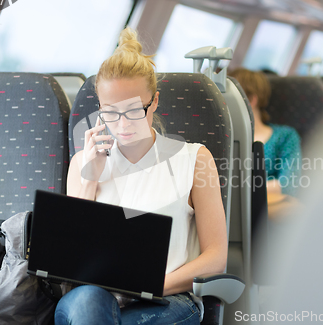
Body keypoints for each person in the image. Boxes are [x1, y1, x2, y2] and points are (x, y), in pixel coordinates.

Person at [56, 28, 227, 325]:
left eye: (134, 110)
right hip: (93, 297)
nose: (122, 125)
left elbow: (216, 257)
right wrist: (90, 180)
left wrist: (151, 285)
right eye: (110, 112)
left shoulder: (195, 159)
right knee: (89, 301)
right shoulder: (83, 162)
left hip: (167, 297)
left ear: (155, 102)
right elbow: (74, 259)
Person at [228, 68, 302, 217]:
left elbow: (288, 184)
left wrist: (241, 192)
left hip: (266, 209)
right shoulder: (221, 136)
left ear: (251, 100)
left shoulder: (285, 136)